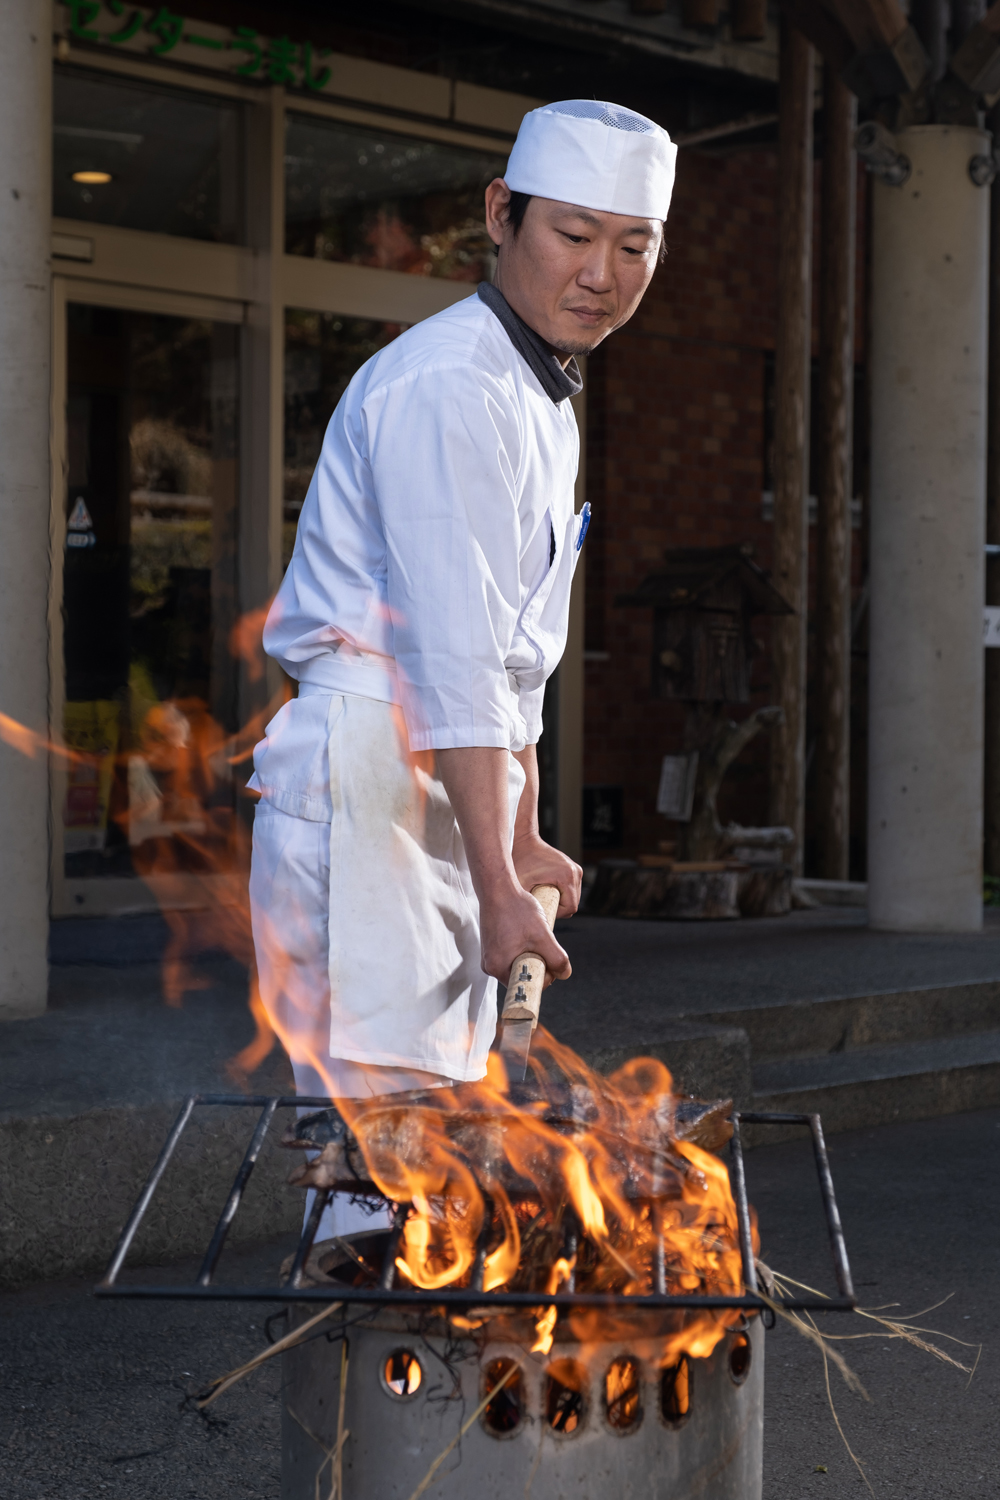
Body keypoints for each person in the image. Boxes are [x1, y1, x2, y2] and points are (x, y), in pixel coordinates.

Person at [248, 100, 676, 1226]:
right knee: (378, 1180)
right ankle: (363, 1394)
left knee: (432, 1156)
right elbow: (448, 658)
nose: (602, 272)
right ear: (502, 215)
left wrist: (518, 830)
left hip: (434, 787)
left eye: (633, 246)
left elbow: (504, 658)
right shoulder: (450, 384)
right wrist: (497, 883)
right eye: (572, 235)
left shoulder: (541, 390)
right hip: (368, 785)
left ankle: (413, 1391)